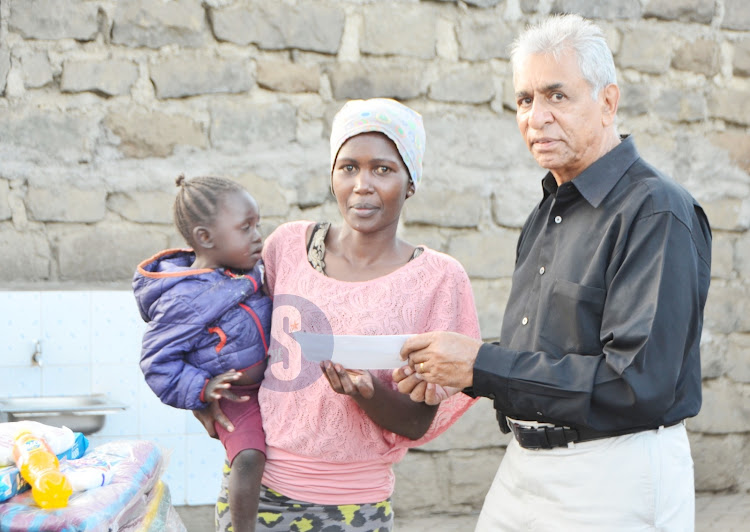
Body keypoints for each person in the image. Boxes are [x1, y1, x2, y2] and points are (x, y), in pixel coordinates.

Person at [396, 14, 712, 531]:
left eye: (556, 96)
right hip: (524, 465)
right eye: (524, 100)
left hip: (615, 470)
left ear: (608, 102)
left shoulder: (656, 211)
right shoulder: (547, 210)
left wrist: (481, 367)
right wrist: (454, 371)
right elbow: (548, 354)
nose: (536, 117)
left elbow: (635, 384)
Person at [194, 98, 480, 531]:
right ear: (332, 176)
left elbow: (418, 421)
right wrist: (198, 393)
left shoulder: (438, 280)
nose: (362, 184)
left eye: (382, 169)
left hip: (354, 509)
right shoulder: (287, 247)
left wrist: (367, 393)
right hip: (255, 497)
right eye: (348, 167)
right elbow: (231, 332)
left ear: (411, 181)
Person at [133, 175, 272, 532]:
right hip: (236, 397)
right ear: (205, 238)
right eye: (245, 228)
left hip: (273, 385)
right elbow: (156, 362)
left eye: (258, 225)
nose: (258, 236)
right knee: (249, 456)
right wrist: (202, 389)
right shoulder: (185, 297)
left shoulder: (246, 270)